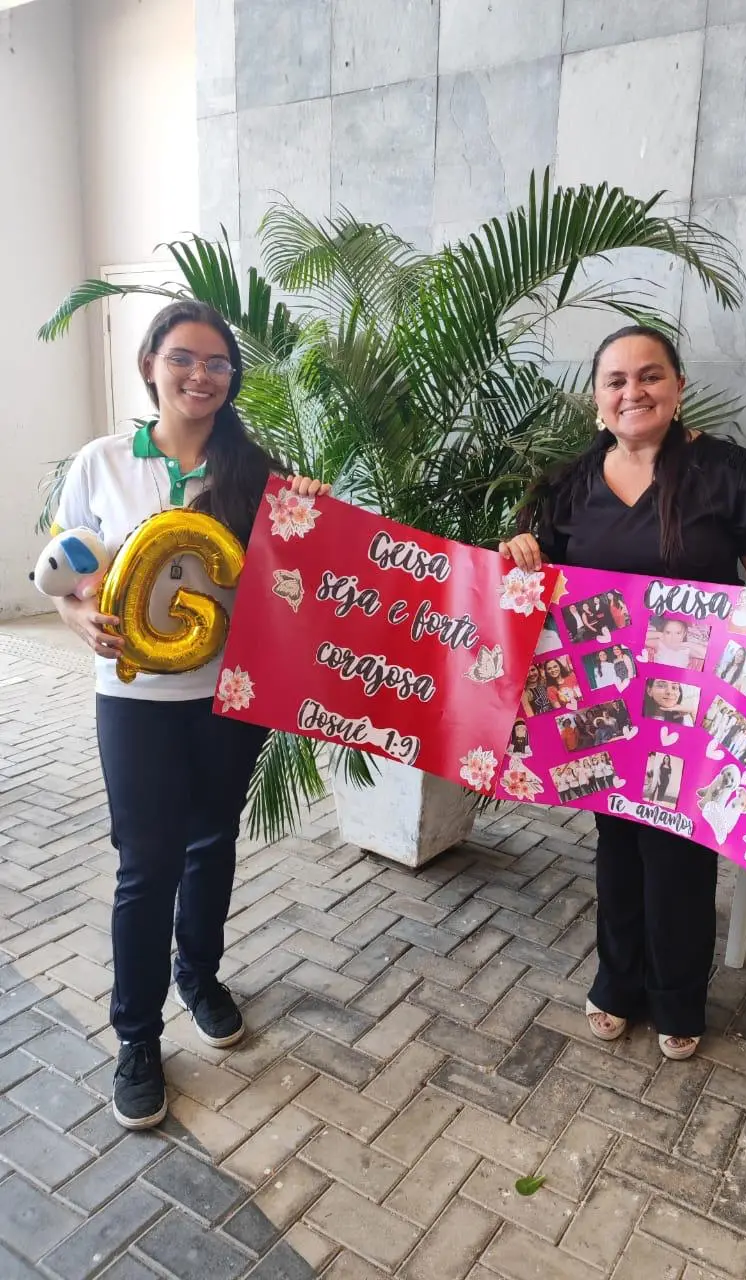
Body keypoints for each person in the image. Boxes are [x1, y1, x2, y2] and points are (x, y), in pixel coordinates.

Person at [499, 324, 746, 1061]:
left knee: (680, 849)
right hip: (603, 704)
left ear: (678, 387)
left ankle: (678, 998)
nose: (634, 392)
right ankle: (618, 981)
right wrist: (521, 553)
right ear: (596, 400)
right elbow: (547, 586)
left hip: (694, 705)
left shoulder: (725, 472)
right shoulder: (571, 484)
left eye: (650, 376)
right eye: (616, 381)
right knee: (614, 842)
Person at [50, 300, 329, 1128]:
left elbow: (306, 574)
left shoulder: (257, 473)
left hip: (229, 697)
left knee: (213, 840)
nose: (199, 375)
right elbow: (68, 576)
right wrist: (76, 620)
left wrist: (313, 505)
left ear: (231, 378)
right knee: (147, 862)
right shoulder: (101, 464)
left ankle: (198, 975)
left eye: (215, 363)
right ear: (150, 365)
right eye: (183, 359)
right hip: (135, 700)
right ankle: (136, 1035)